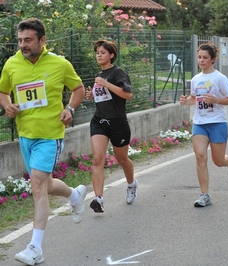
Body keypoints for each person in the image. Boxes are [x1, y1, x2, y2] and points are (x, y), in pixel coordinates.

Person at [0, 18, 86, 265]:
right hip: (25, 133)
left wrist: (70, 108)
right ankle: (75, 196)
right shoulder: (12, 63)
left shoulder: (60, 64)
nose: (22, 45)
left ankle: (35, 248)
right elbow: (2, 91)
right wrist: (8, 105)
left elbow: (78, 88)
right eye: (19, 41)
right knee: (45, 186)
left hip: (50, 135)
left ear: (42, 40)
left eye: (28, 40)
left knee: (37, 186)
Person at [179, 42, 228, 207]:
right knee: (200, 156)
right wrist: (187, 101)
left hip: (218, 122)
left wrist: (215, 100)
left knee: (218, 160)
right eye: (199, 57)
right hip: (200, 123)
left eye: (205, 57)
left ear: (213, 59)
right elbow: (194, 98)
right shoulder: (196, 79)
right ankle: (204, 195)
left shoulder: (220, 78)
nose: (201, 60)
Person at [85, 39, 137, 212]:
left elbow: (128, 95)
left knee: (121, 159)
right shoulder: (100, 75)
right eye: (97, 52)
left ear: (111, 55)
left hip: (118, 123)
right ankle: (98, 199)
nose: (99, 55)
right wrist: (91, 95)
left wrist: (106, 84)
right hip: (99, 121)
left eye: (102, 52)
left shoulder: (117, 73)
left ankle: (131, 184)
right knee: (98, 158)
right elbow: (103, 97)